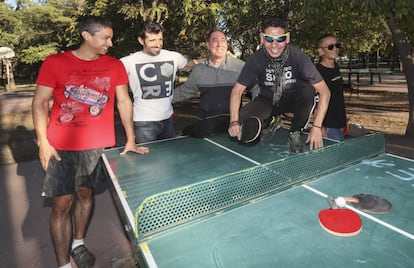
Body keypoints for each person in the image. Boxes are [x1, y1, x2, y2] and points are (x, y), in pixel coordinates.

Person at [32, 16, 149, 268]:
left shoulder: (114, 65)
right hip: (61, 145)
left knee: (86, 195)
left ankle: (78, 243)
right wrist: (43, 142)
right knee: (62, 204)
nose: (110, 42)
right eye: (106, 37)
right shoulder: (55, 62)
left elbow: (124, 102)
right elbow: (40, 103)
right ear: (87, 36)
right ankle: (63, 264)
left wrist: (130, 139)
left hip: (97, 146)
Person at [228, 16, 331, 153]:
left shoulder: (298, 57)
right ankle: (270, 122)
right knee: (241, 124)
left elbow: (325, 92)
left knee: (309, 91)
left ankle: (295, 133)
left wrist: (317, 127)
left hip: (293, 99)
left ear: (287, 38)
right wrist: (234, 121)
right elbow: (236, 91)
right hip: (267, 100)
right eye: (269, 39)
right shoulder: (255, 60)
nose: (274, 45)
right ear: (262, 38)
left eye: (280, 39)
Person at [121, 20, 197, 144]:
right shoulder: (128, 62)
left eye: (160, 39)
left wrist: (215, 58)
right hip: (143, 123)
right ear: (141, 41)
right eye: (152, 40)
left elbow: (191, 65)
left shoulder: (173, 56)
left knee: (169, 158)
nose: (157, 44)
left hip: (168, 120)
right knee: (147, 162)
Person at [173, 28, 257, 137]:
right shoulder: (198, 69)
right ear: (208, 45)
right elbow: (185, 91)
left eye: (223, 40)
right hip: (206, 128)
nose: (219, 44)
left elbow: (256, 88)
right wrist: (161, 99)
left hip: (233, 127)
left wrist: (257, 110)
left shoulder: (240, 67)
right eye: (215, 40)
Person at [316, 34, 347, 141]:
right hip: (328, 126)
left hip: (339, 123)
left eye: (337, 45)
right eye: (330, 47)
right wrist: (319, 127)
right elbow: (315, 101)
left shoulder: (336, 67)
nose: (335, 49)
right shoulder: (317, 72)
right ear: (320, 51)